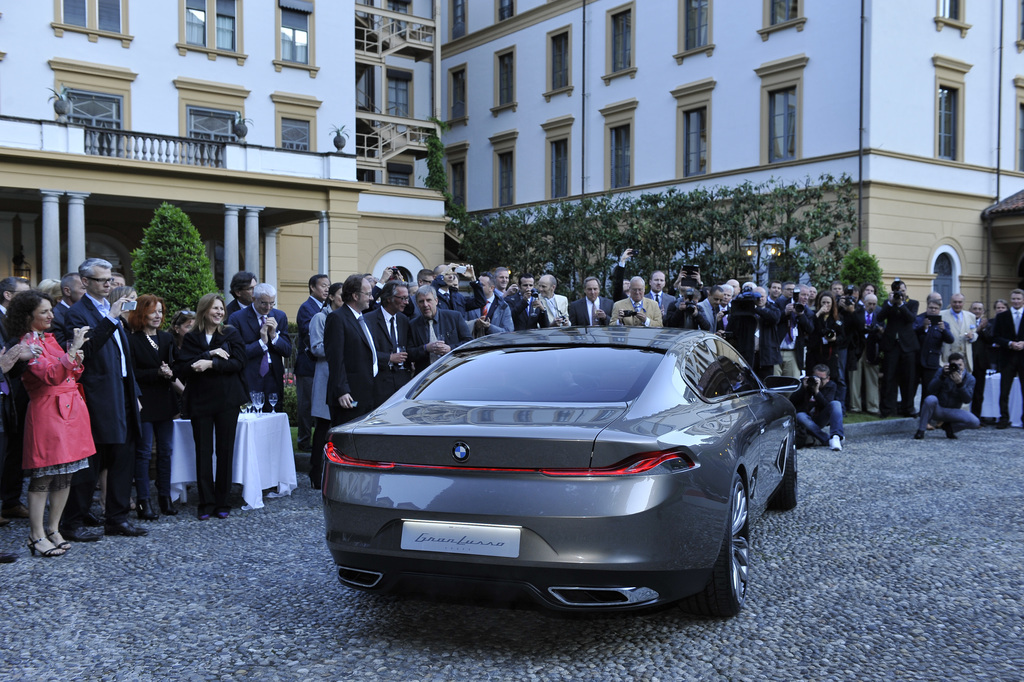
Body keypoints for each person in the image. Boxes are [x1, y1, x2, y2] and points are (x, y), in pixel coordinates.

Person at [62, 258, 146, 540]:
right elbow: (89, 349)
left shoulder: (112, 312)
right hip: (97, 395)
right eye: (103, 280)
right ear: (85, 282)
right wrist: (111, 318)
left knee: (124, 457)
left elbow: (125, 358)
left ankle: (117, 518)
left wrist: (134, 393)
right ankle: (72, 522)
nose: (109, 284)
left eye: (110, 279)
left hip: (122, 390)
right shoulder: (77, 313)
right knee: (91, 461)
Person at [7, 290, 94, 557]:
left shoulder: (49, 338)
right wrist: (74, 352)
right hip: (47, 412)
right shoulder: (25, 344)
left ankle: (53, 529)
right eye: (44, 311)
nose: (50, 315)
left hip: (69, 410)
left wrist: (74, 358)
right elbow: (51, 375)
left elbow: (68, 369)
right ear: (28, 315)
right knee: (43, 475)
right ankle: (36, 534)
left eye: (50, 310)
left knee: (65, 474)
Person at [175, 293, 246, 519]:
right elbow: (184, 367)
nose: (219, 312)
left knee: (225, 451)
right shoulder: (192, 337)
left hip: (227, 400)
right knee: (203, 452)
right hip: (200, 400)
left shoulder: (231, 333)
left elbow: (239, 362)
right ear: (204, 310)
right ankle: (205, 502)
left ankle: (222, 501)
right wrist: (209, 353)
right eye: (215, 308)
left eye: (221, 309)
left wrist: (211, 364)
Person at [126, 295, 181, 518]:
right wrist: (156, 373)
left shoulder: (167, 338)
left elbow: (177, 367)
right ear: (141, 313)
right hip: (144, 403)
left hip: (166, 402)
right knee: (144, 453)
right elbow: (130, 373)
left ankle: (165, 497)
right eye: (153, 311)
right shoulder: (132, 340)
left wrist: (171, 373)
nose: (158, 316)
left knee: (166, 451)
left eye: (160, 311)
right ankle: (143, 501)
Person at [227, 283, 291, 413]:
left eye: (272, 303)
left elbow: (287, 351)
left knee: (273, 413)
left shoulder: (279, 316)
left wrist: (274, 336)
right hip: (249, 374)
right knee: (252, 414)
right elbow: (236, 352)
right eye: (264, 303)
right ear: (253, 299)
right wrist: (261, 343)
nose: (268, 307)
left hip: (273, 374)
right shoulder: (237, 318)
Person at [324, 275, 379, 425]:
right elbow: (335, 358)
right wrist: (341, 390)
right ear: (355, 296)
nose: (372, 298)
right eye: (368, 294)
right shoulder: (337, 318)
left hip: (366, 393)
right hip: (349, 397)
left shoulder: (362, 319)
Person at [309, 283, 343, 489]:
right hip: (325, 377)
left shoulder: (346, 317)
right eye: (340, 296)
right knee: (322, 427)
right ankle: (315, 473)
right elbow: (316, 348)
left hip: (340, 377)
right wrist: (340, 347)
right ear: (331, 297)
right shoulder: (320, 318)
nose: (342, 299)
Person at [294, 274, 329, 453]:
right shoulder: (307, 308)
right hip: (308, 365)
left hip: (321, 366)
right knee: (306, 404)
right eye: (323, 285)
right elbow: (310, 334)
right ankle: (304, 440)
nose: (326, 289)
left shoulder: (326, 309)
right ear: (312, 287)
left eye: (328, 286)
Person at [877, 279, 921, 418]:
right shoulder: (887, 303)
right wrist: (890, 303)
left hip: (908, 346)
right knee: (888, 378)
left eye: (902, 291)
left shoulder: (913, 303)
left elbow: (911, 318)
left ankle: (908, 408)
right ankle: (887, 409)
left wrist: (901, 304)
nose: (900, 293)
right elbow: (880, 317)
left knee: (908, 379)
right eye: (897, 291)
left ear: (906, 291)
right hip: (891, 345)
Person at [913, 353, 979, 439]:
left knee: (975, 422)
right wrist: (942, 376)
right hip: (938, 409)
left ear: (964, 364)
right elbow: (930, 389)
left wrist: (960, 384)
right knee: (930, 399)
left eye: (960, 365)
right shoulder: (942, 372)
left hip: (953, 411)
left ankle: (950, 429)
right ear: (949, 365)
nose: (957, 367)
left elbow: (967, 400)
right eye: (954, 365)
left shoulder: (970, 379)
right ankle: (921, 431)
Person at [407, 287, 472, 374]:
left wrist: (450, 349)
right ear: (417, 305)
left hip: (453, 372)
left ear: (436, 301)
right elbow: (409, 353)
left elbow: (469, 343)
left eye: (429, 300)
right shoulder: (413, 325)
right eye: (421, 301)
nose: (425, 305)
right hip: (426, 376)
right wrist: (426, 348)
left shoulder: (454, 317)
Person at [791, 364, 845, 451]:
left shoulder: (831, 386)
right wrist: (803, 389)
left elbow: (826, 405)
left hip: (820, 418)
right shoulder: (804, 382)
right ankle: (826, 439)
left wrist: (816, 391)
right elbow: (792, 402)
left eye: (821, 379)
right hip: (804, 420)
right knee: (800, 415)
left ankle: (836, 437)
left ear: (828, 379)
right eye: (816, 377)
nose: (818, 381)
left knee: (836, 404)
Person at [992, 289, 1024, 429]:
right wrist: (1010, 343)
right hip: (1007, 357)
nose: (1016, 301)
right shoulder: (1002, 316)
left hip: (1023, 357)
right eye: (1014, 299)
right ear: (1010, 299)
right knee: (1004, 391)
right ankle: (1004, 418)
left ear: (1023, 300)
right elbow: (996, 336)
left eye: (1018, 298)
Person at [849, 293, 882, 414]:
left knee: (872, 379)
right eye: (869, 304)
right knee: (854, 379)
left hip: (872, 350)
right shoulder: (857, 314)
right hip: (857, 349)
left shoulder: (879, 316)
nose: (871, 306)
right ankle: (855, 406)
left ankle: (873, 406)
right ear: (864, 303)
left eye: (874, 304)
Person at [914, 295, 954, 391]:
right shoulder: (919, 320)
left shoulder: (944, 325)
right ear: (927, 308)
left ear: (939, 310)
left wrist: (943, 330)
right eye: (931, 308)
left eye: (936, 308)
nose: (933, 310)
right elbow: (912, 334)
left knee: (928, 390)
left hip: (931, 362)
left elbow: (950, 340)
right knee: (911, 390)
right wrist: (924, 327)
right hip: (916, 361)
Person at [807, 292, 845, 382]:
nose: (826, 305)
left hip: (830, 354)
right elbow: (808, 326)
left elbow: (842, 337)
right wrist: (819, 312)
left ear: (832, 304)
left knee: (832, 379)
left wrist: (834, 339)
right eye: (823, 302)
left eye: (828, 303)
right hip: (815, 353)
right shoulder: (814, 314)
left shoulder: (838, 318)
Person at [969, 301, 992, 421]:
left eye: (979, 309)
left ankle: (976, 417)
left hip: (980, 362)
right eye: (974, 309)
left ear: (983, 311)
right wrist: (977, 329)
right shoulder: (966, 321)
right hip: (967, 360)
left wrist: (982, 329)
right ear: (970, 310)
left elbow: (990, 339)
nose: (977, 311)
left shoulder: (988, 324)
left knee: (978, 391)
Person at [941, 293, 976, 371]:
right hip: (948, 356)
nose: (957, 304)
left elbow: (974, 332)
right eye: (955, 302)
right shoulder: (942, 315)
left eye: (960, 302)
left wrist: (972, 336)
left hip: (965, 358)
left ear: (963, 303)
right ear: (950, 302)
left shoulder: (971, 316)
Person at [52, 271, 86, 348]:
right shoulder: (55, 316)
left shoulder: (88, 311)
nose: (87, 293)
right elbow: (58, 347)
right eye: (83, 288)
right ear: (67, 291)